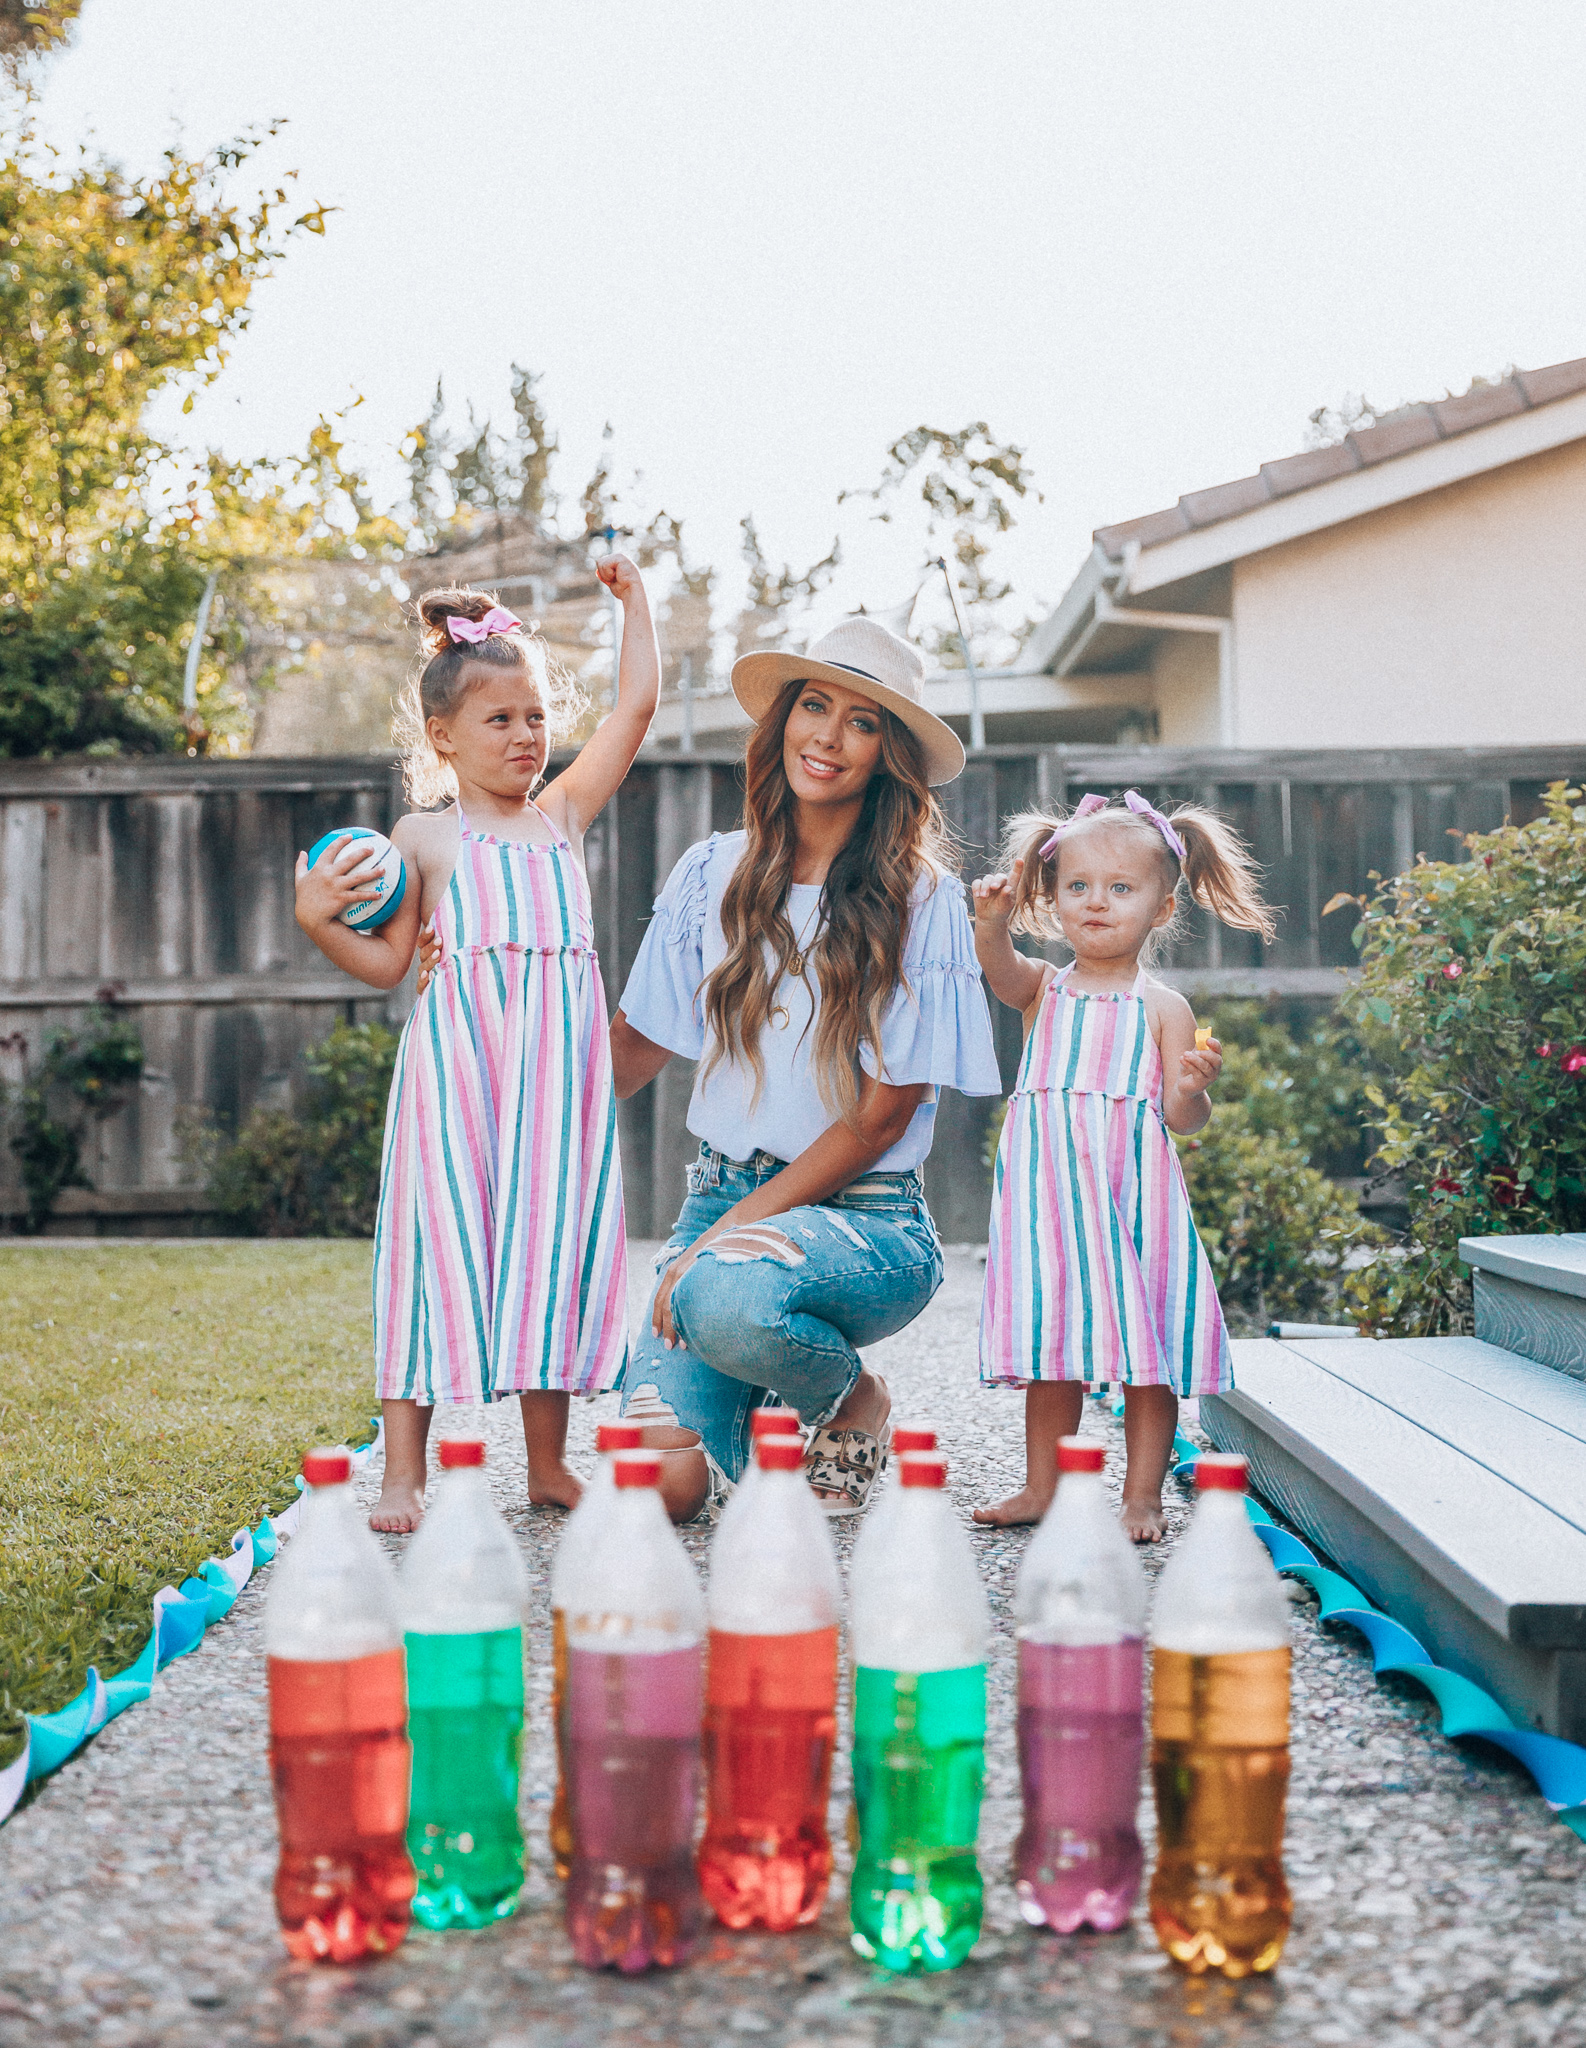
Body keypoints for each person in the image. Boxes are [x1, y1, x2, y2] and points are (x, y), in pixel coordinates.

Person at [293, 561, 659, 1531]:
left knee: (550, 1248)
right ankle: (403, 1472)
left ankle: (546, 1463)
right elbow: (383, 965)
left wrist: (634, 605)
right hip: (454, 1088)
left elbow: (633, 708)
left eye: (535, 715)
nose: (525, 735)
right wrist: (314, 916)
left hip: (556, 1093)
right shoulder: (421, 836)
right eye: (499, 719)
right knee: (430, 1251)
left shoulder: (562, 817)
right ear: (443, 736)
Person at [611, 617, 1002, 1525]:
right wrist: (515, 1064)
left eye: (861, 722)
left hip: (867, 1223)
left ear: (887, 755)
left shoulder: (923, 903)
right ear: (781, 720)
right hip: (719, 1196)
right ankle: (749, 1420)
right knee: (657, 1488)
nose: (827, 737)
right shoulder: (712, 872)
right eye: (814, 706)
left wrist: (715, 1247)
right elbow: (633, 1045)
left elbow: (877, 1120)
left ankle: (848, 1397)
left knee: (722, 1294)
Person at [971, 789, 1276, 1541]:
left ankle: (1141, 1496)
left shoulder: (1161, 1005)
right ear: (1053, 898)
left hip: (1132, 1200)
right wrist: (991, 924)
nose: (1095, 904)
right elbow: (998, 971)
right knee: (1052, 1348)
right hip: (1050, 1202)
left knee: (1149, 1353)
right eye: (1077, 887)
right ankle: (1042, 1486)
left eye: (1119, 888)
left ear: (1161, 908)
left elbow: (1179, 1120)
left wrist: (1192, 1090)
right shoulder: (1045, 987)